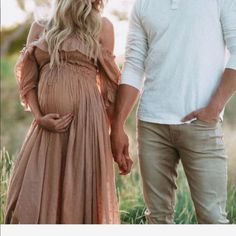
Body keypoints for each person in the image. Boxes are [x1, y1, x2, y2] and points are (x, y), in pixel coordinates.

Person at [111, 0, 236, 224]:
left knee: (212, 218)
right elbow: (133, 64)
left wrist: (214, 108)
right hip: (151, 126)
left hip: (202, 126)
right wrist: (117, 125)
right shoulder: (142, 5)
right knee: (157, 218)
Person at [4, 0, 121, 224]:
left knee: (78, 194)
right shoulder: (40, 27)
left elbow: (109, 86)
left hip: (87, 126)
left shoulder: (103, 27)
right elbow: (29, 81)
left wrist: (114, 134)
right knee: (26, 198)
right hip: (46, 127)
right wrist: (39, 117)